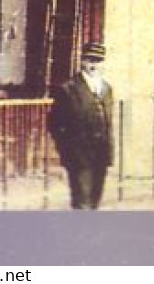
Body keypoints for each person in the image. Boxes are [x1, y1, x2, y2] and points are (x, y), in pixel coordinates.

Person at [48, 41, 115, 209]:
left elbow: (108, 123)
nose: (93, 65)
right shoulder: (69, 89)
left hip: (101, 153)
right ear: (82, 61)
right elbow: (55, 124)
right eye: (89, 60)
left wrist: (109, 150)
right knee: (82, 202)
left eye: (98, 60)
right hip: (79, 156)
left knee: (95, 200)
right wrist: (67, 150)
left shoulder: (106, 89)